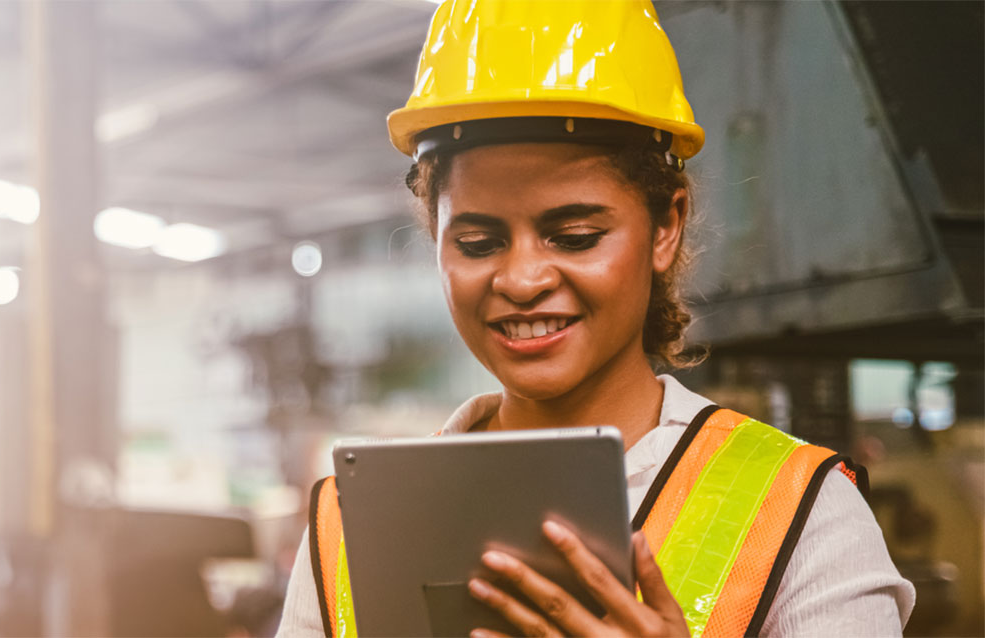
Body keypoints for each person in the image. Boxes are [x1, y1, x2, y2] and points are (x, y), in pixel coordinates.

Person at [276, 1, 914, 636]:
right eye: (476, 243)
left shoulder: (801, 513)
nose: (522, 280)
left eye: (575, 235)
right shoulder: (348, 531)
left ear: (666, 225)